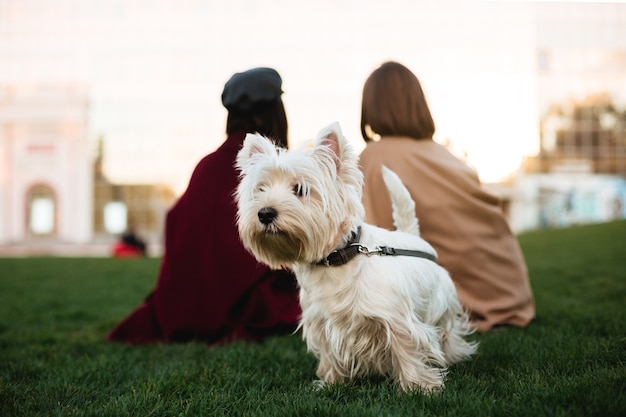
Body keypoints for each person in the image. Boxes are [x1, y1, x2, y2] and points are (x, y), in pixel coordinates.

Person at [106, 67, 301, 345]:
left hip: (187, 305)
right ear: (271, 114)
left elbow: (179, 226)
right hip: (243, 303)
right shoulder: (272, 168)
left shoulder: (206, 165)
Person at [358, 61, 535, 332]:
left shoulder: (373, 157)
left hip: (466, 298)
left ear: (370, 107)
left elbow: (371, 238)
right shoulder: (442, 153)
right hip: (510, 290)